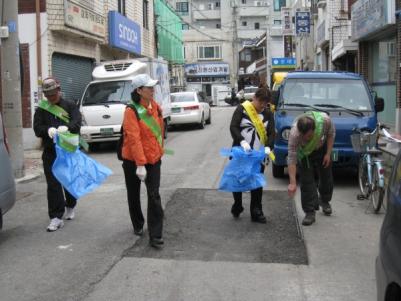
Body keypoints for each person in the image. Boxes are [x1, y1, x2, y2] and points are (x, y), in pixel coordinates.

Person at [121, 74, 165, 249]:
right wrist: (140, 163)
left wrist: (159, 152)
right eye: (149, 87)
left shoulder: (156, 107)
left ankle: (155, 235)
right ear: (139, 91)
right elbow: (134, 139)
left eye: (153, 87)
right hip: (133, 160)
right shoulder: (131, 111)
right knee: (134, 193)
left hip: (154, 159)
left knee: (154, 195)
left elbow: (159, 132)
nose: (153, 90)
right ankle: (138, 223)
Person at [33, 77, 81, 232]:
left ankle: (71, 205)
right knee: (53, 185)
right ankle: (56, 217)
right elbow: (37, 128)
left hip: (68, 151)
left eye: (53, 95)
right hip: (50, 152)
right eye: (48, 96)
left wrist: (67, 128)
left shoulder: (70, 105)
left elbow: (77, 123)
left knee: (68, 181)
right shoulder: (42, 109)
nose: (51, 98)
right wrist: (47, 131)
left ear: (59, 91)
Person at [229, 86, 275, 223]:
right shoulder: (242, 109)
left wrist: (268, 147)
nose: (262, 106)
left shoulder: (268, 114)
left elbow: (272, 133)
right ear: (254, 98)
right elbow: (233, 126)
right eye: (260, 102)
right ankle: (237, 204)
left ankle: (256, 210)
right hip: (240, 151)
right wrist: (242, 141)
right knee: (238, 180)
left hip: (258, 155)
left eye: (265, 103)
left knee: (256, 182)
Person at [287, 111, 335, 226]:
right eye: (304, 136)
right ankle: (309, 212)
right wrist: (292, 182)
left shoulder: (325, 121)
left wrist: (328, 154)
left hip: (321, 147)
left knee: (326, 175)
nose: (307, 139)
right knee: (306, 180)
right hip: (304, 153)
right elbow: (291, 158)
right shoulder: (294, 134)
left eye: (309, 136)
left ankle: (324, 200)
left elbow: (331, 134)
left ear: (314, 129)